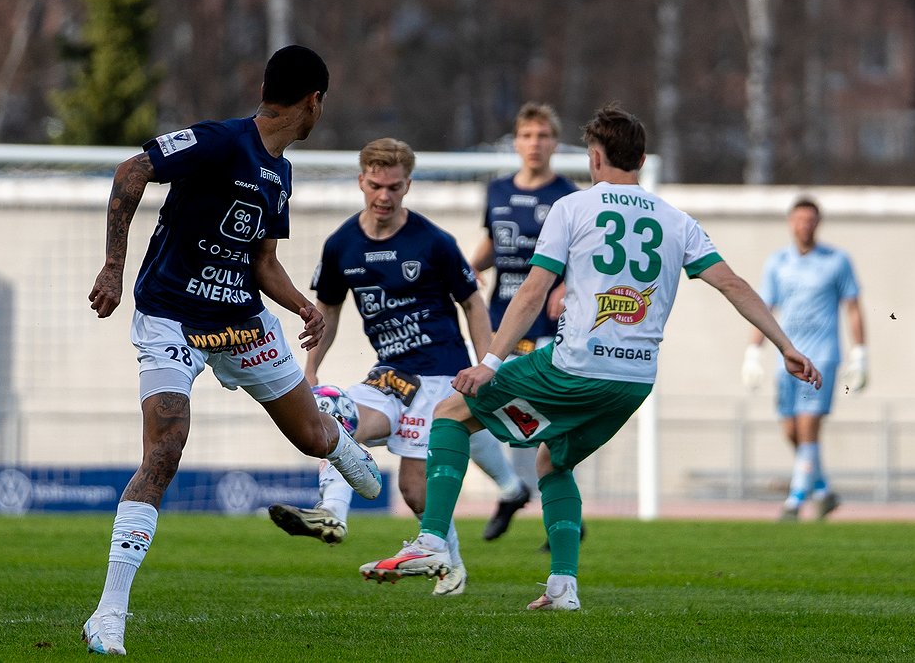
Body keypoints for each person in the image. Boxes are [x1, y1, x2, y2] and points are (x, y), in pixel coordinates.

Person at [359, 103, 821, 611]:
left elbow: (533, 292)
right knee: (552, 461)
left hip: (572, 367)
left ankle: (429, 542)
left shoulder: (573, 207)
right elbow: (730, 283)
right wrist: (786, 346)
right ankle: (562, 587)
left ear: (594, 158)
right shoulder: (677, 220)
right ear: (642, 159)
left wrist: (488, 363)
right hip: (632, 383)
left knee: (450, 413)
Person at [82, 45, 382, 656]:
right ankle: (109, 612)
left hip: (243, 323)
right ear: (313, 101)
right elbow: (131, 171)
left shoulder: (281, 173)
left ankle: (339, 436)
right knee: (164, 452)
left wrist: (300, 304)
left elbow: (262, 262)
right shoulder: (220, 141)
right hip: (171, 318)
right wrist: (114, 266)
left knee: (313, 441)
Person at [266, 138, 528, 597]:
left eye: (393, 187)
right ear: (360, 181)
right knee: (329, 407)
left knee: (413, 492)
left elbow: (473, 303)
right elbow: (328, 311)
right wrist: (310, 370)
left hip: (440, 379)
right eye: (374, 185)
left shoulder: (433, 241)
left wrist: (487, 365)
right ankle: (332, 513)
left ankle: (452, 566)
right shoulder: (342, 244)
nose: (383, 196)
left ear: (408, 185)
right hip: (389, 376)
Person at [469, 101, 579, 543]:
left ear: (555, 143)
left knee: (550, 416)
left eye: (544, 136)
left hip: (549, 324)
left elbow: (583, 258)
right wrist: (467, 268)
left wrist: (566, 286)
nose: (535, 144)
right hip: (503, 319)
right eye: (528, 136)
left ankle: (550, 505)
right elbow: (493, 244)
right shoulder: (496, 190)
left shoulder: (569, 195)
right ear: (516, 142)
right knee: (503, 405)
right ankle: (516, 491)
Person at [740, 196, 866, 522]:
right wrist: (753, 353)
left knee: (808, 424)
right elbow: (765, 309)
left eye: (810, 219)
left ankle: (795, 501)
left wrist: (860, 353)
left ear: (818, 223)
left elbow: (853, 307)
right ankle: (822, 491)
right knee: (791, 430)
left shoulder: (837, 261)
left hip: (822, 356)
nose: (804, 225)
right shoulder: (777, 263)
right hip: (787, 357)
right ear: (790, 222)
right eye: (799, 219)